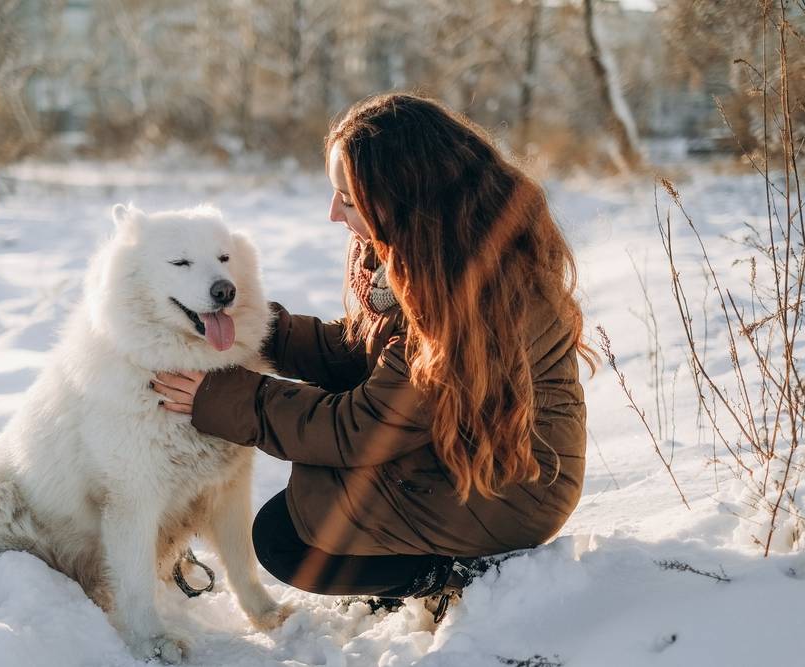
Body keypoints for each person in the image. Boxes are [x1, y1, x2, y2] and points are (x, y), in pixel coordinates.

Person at [151, 92, 596, 621]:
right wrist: (261, 329)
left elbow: (362, 427)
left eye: (349, 199)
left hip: (510, 488)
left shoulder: (471, 295)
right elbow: (371, 351)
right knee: (310, 500)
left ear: (402, 197)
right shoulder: (425, 251)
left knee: (287, 540)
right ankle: (432, 562)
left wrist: (228, 396)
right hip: (468, 451)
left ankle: (461, 573)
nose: (333, 214)